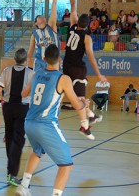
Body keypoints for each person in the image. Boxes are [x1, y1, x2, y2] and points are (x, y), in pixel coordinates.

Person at [15, 44, 90, 196]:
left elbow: (23, 94)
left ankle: (23, 186)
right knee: (66, 165)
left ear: (43, 59)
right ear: (60, 60)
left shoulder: (36, 74)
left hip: (29, 123)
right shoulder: (63, 78)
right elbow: (76, 105)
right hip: (46, 125)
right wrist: (85, 103)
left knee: (37, 151)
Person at [63, 0, 107, 139]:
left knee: (78, 98)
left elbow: (73, 4)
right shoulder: (87, 38)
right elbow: (92, 58)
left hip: (66, 66)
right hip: (78, 69)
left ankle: (90, 116)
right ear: (88, 25)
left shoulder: (72, 26)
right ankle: (84, 125)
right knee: (80, 98)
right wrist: (99, 74)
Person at [0, 48, 34, 187]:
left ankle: (10, 170)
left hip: (8, 108)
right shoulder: (31, 73)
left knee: (10, 138)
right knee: (18, 141)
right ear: (26, 60)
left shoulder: (6, 71)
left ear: (15, 59)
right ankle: (12, 174)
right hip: (23, 108)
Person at [27, 0, 61, 72]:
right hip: (39, 61)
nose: (43, 16)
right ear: (36, 22)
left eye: (44, 16)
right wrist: (28, 58)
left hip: (53, 61)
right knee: (36, 82)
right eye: (40, 16)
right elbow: (31, 48)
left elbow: (54, 3)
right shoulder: (35, 33)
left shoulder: (51, 25)